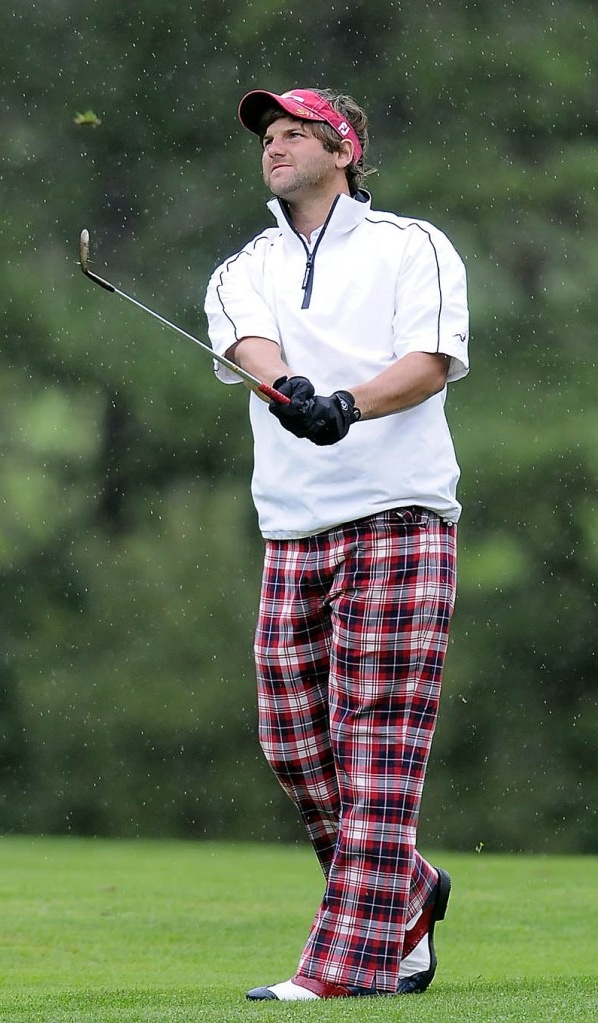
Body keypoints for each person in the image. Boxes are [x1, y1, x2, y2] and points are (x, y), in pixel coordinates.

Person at [204, 86, 469, 1001]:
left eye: (294, 134)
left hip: (401, 516)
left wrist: (349, 404)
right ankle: (410, 889)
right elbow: (251, 345)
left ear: (343, 148)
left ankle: (343, 967)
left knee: (377, 748)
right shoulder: (245, 264)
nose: (274, 147)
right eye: (268, 137)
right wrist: (296, 389)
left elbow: (429, 360)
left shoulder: (413, 245)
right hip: (294, 528)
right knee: (293, 743)